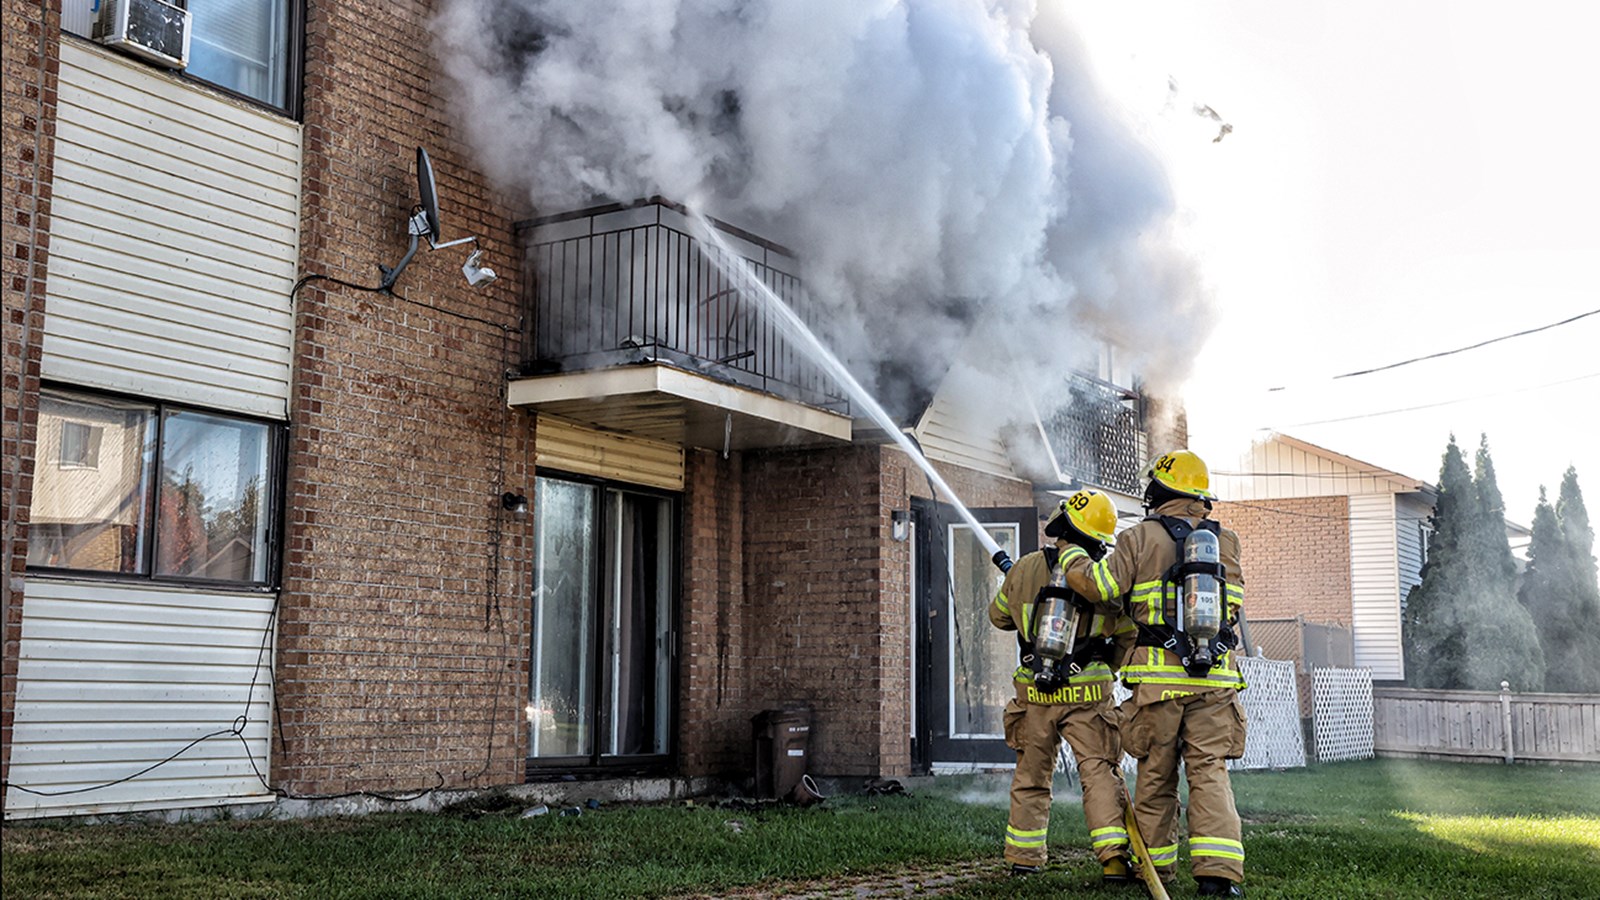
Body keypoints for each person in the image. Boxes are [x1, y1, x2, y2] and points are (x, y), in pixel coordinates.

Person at [1058, 449, 1249, 897]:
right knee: (1209, 771)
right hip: (1216, 678)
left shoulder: (1139, 537)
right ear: (1199, 496)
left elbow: (1103, 588)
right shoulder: (1228, 542)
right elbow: (1232, 607)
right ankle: (1218, 876)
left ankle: (1156, 873)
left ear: (1159, 489)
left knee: (1156, 775)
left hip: (1160, 683)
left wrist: (1071, 561)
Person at [988, 488, 1139, 882]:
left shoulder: (1022, 569)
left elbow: (998, 618)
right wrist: (1111, 665)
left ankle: (1024, 859)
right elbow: (1126, 633)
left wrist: (1019, 586)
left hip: (1034, 696)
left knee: (1031, 777)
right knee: (1099, 773)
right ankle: (1113, 861)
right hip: (1088, 698)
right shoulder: (1101, 581)